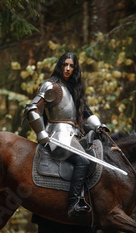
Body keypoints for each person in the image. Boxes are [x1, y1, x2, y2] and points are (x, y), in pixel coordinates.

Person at [25, 52, 109, 219]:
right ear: (60, 66)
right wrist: (41, 133)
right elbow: (32, 109)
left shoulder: (74, 89)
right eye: (65, 65)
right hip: (56, 136)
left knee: (94, 159)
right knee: (83, 161)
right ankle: (73, 204)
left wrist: (99, 126)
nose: (68, 69)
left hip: (74, 136)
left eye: (71, 66)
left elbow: (86, 113)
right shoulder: (52, 87)